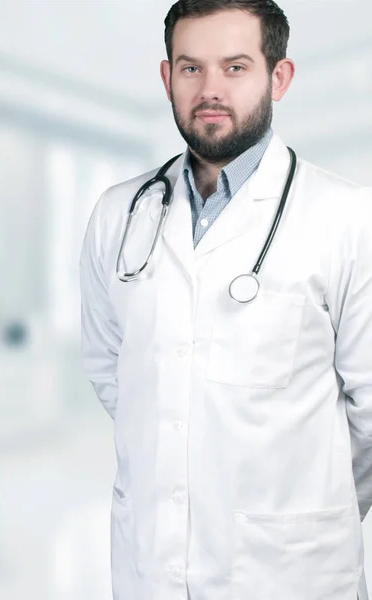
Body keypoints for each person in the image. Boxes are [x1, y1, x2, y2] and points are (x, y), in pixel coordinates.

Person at [79, 1, 372, 599]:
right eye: (191, 68)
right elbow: (116, 374)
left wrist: (305, 505)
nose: (210, 89)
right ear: (167, 79)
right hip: (149, 567)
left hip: (291, 572)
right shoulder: (119, 214)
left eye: (235, 67)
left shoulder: (348, 219)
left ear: (279, 77)